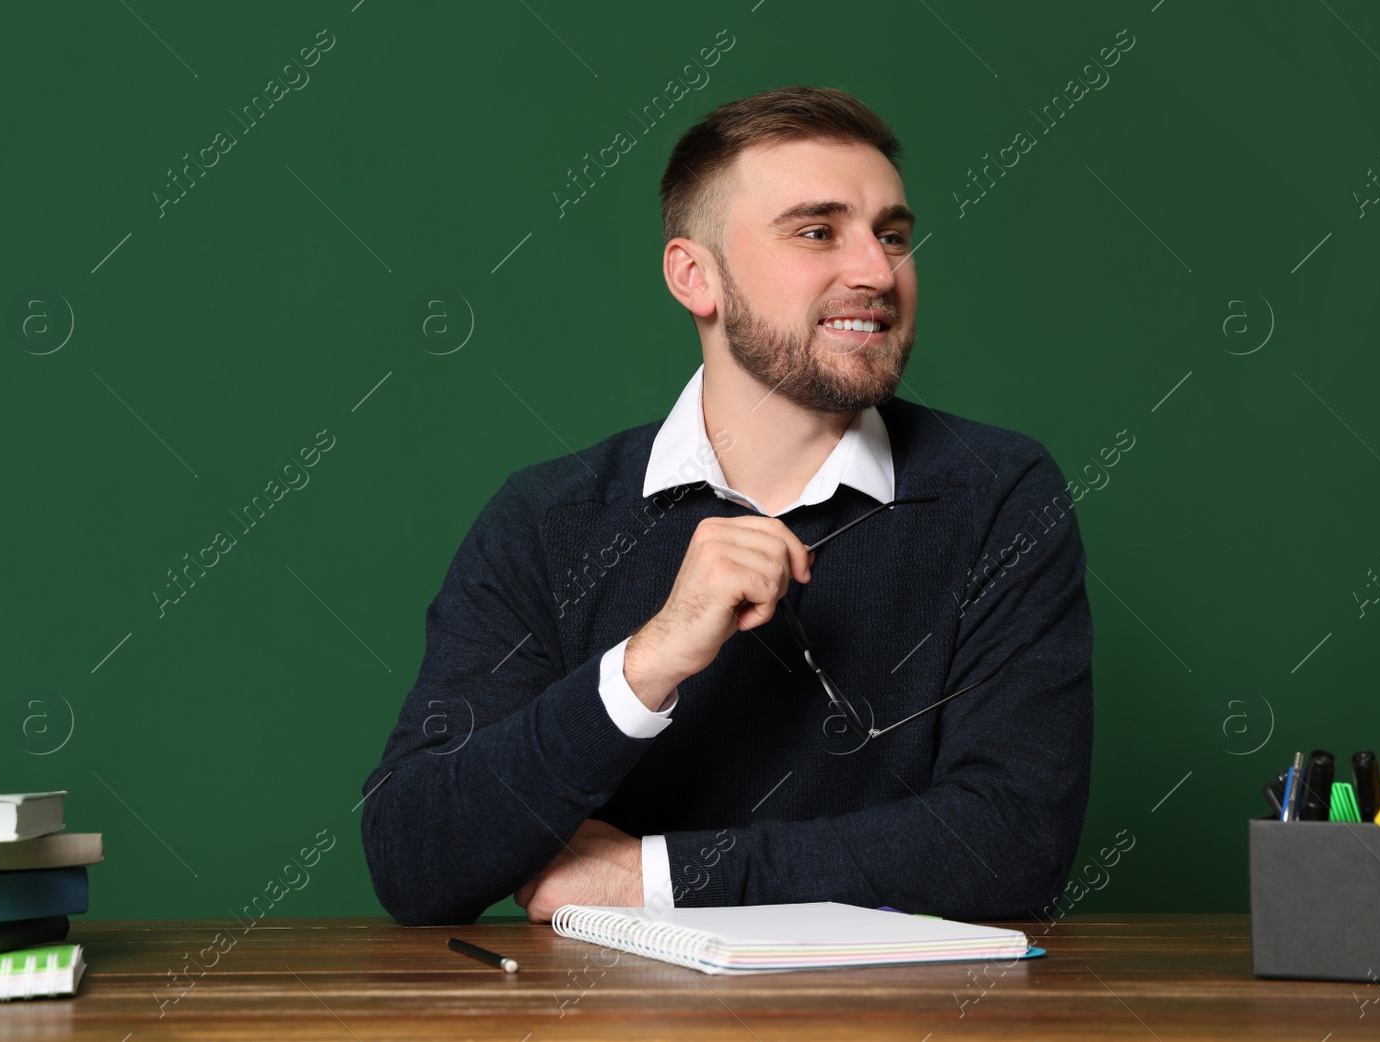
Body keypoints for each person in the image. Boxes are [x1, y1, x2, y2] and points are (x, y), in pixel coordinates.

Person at [361, 85, 1093, 927]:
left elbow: (1015, 845)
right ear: (694, 276)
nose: (876, 271)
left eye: (892, 234)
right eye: (818, 232)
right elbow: (413, 856)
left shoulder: (997, 493)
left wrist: (657, 877)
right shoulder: (546, 519)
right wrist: (647, 664)